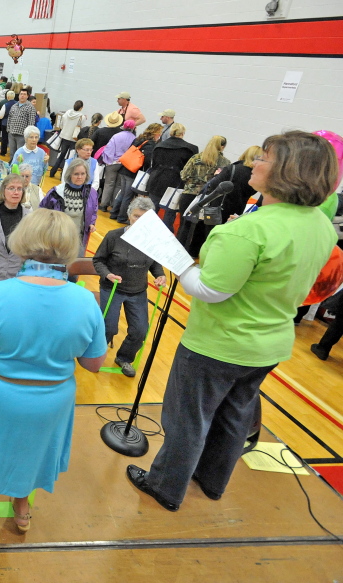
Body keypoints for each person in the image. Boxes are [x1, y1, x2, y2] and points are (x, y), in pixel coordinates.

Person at [126, 131, 338, 511]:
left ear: (287, 172)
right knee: (233, 415)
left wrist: (178, 263)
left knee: (188, 418)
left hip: (218, 344)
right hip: (269, 343)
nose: (253, 162)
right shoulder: (320, 225)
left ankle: (165, 486)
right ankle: (211, 480)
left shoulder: (248, 230)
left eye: (264, 158)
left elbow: (210, 289)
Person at [0, 209, 107, 536]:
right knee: (31, 450)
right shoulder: (86, 301)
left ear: (24, 239)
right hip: (52, 398)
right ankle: (21, 510)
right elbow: (94, 363)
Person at [92, 196, 166, 377]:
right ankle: (94, 356)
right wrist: (107, 274)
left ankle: (124, 358)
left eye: (145, 218)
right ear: (129, 215)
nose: (139, 221)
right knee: (108, 328)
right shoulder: (114, 236)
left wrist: (160, 275)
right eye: (136, 216)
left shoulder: (152, 240)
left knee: (140, 330)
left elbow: (155, 263)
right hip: (112, 288)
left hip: (138, 291)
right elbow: (98, 260)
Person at [170, 135, 230, 233]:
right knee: (199, 229)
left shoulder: (196, 157)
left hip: (189, 194)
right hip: (207, 198)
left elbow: (184, 175)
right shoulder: (225, 163)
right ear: (222, 147)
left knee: (184, 225)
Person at [40, 158, 98, 250]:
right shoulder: (56, 192)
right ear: (69, 174)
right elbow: (42, 211)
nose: (80, 177)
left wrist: (92, 223)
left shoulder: (91, 192)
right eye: (76, 174)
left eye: (83, 174)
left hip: (79, 240)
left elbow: (93, 211)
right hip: (57, 241)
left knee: (76, 263)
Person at [111, 124, 163, 222]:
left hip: (125, 167)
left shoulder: (139, 139)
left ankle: (114, 212)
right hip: (133, 171)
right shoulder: (150, 144)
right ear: (155, 133)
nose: (160, 135)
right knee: (128, 196)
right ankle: (121, 217)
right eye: (159, 133)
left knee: (123, 193)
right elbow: (147, 160)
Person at [144, 123, 197, 215]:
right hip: (176, 182)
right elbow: (190, 170)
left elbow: (154, 164)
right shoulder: (191, 149)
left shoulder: (159, 145)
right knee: (169, 213)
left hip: (156, 179)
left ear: (170, 132)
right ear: (183, 133)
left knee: (151, 210)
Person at [98, 120, 138, 210]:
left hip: (112, 163)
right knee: (119, 185)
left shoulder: (117, 136)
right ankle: (114, 205)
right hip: (124, 164)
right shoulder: (134, 138)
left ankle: (103, 204)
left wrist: (109, 160)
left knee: (109, 183)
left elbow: (109, 148)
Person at [50, 100, 86, 178]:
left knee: (61, 155)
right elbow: (81, 129)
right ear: (81, 108)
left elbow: (61, 125)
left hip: (64, 137)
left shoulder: (66, 114)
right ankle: (63, 174)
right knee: (70, 158)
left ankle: (52, 172)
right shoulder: (82, 117)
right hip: (74, 139)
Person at [5, 86, 36, 156]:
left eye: (24, 94)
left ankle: (20, 167)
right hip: (11, 134)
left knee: (20, 155)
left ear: (27, 96)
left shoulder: (30, 107)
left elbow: (31, 123)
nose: (22, 96)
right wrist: (9, 130)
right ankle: (12, 166)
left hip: (22, 136)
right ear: (18, 95)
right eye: (21, 94)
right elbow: (9, 118)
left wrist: (28, 135)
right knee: (12, 154)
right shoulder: (14, 106)